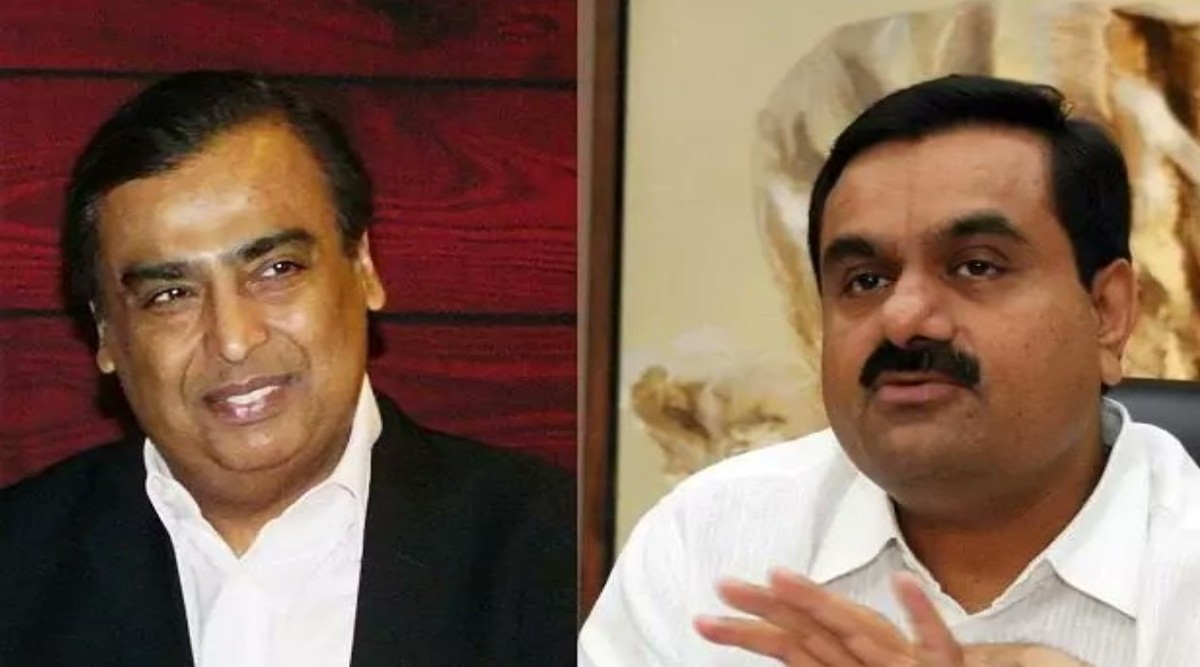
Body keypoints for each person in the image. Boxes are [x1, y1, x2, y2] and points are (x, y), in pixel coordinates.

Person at [581, 74, 1200, 667]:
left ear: (1107, 312)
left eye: (977, 266)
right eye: (866, 281)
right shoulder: (707, 539)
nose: (903, 319)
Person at [0, 70, 574, 667]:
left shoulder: (561, 556)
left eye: (276, 270)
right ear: (105, 333)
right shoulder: (16, 569)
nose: (234, 340)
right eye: (171, 295)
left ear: (364, 268)